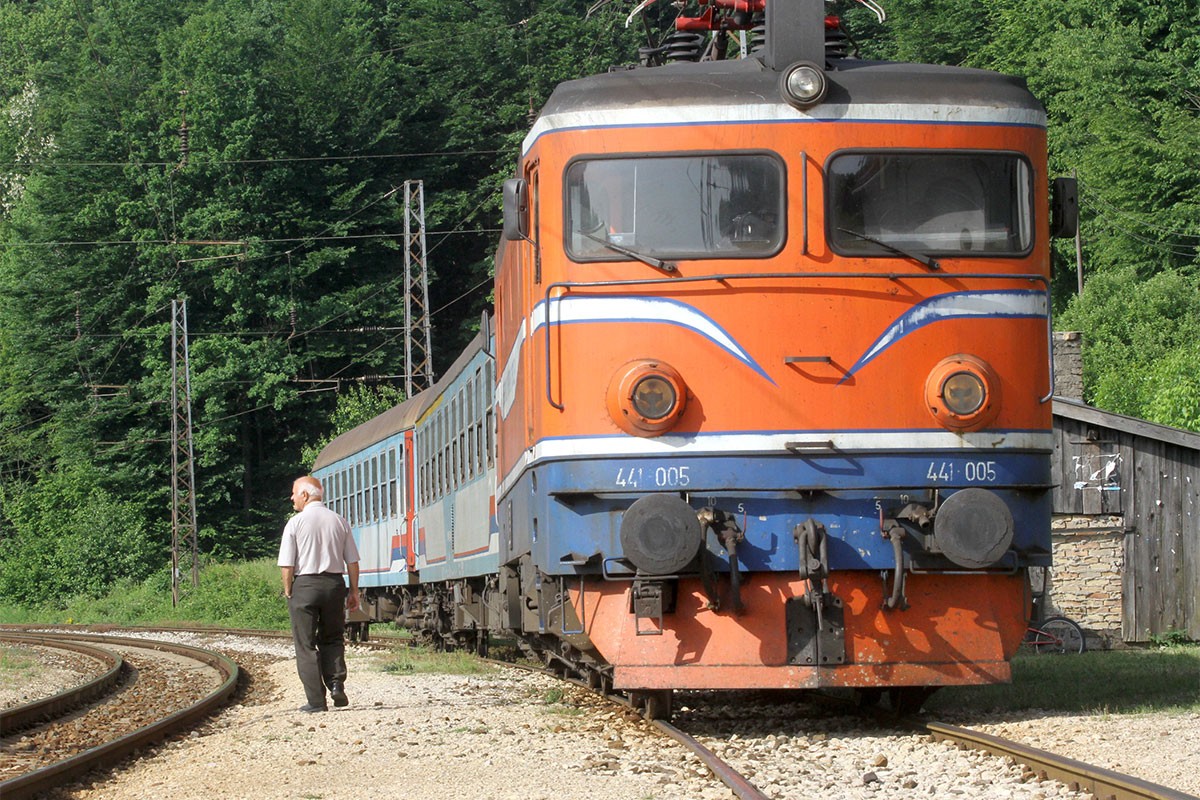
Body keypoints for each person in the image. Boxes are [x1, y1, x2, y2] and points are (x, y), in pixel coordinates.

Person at [277, 475, 361, 713]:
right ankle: (336, 684)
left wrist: (288, 590)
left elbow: (287, 565)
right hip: (334, 584)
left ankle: (316, 701)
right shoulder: (339, 521)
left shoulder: (295, 523)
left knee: (305, 643)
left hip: (305, 585)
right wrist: (353, 591)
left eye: (294, 493)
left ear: (305, 495)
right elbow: (352, 562)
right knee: (333, 637)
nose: (291, 498)